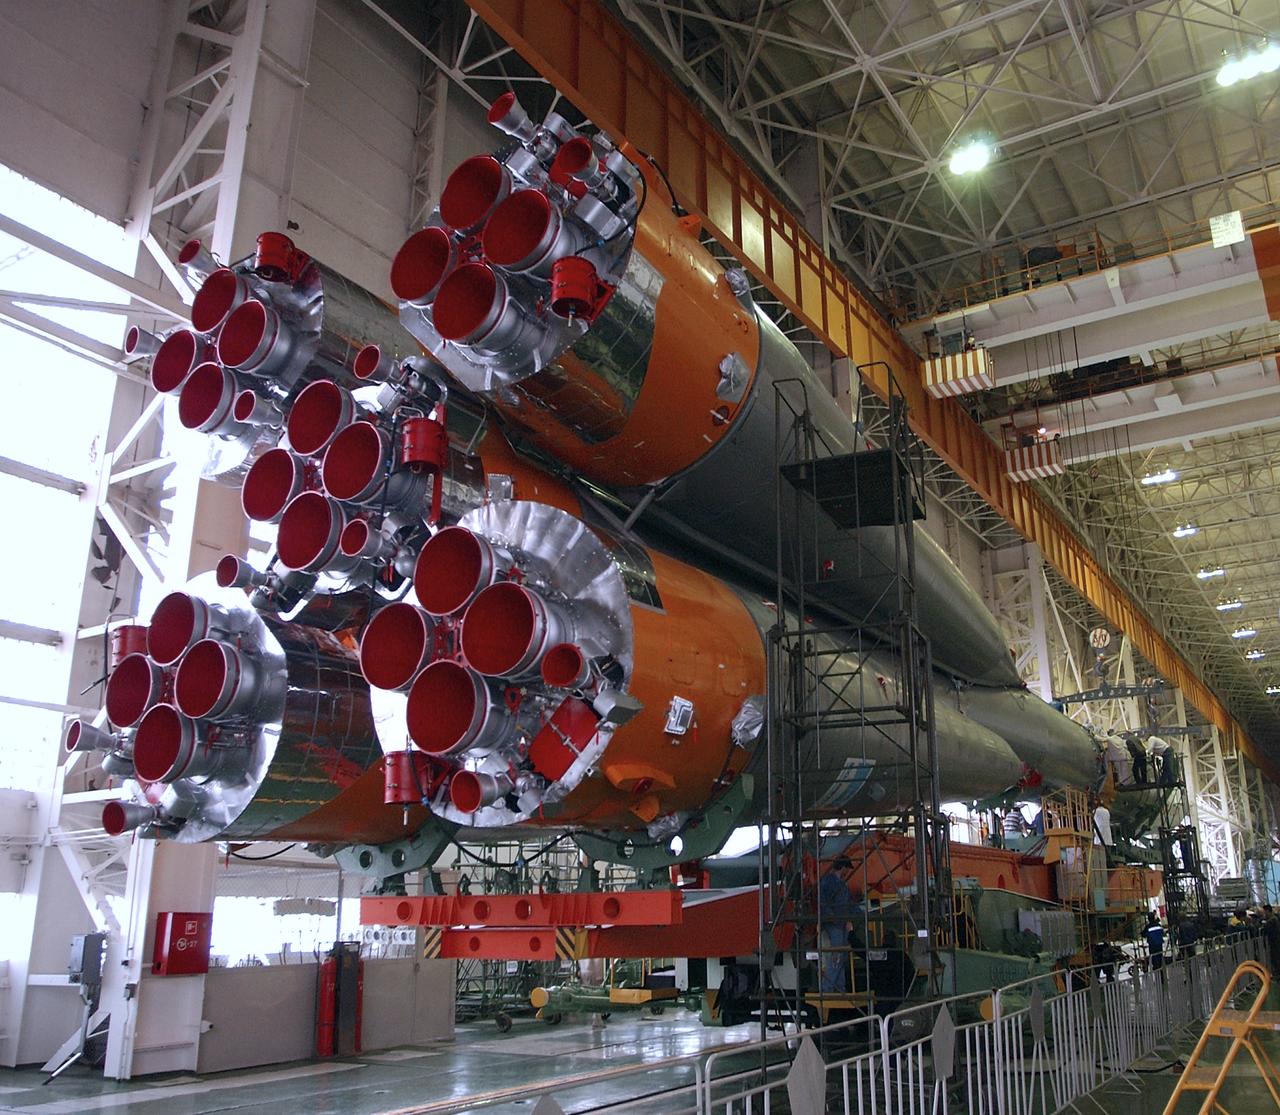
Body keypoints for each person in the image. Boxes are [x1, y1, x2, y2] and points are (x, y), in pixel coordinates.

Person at [818, 856, 856, 994]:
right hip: (835, 924)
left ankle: (839, 987)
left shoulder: (834, 882)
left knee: (840, 957)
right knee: (837, 957)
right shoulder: (830, 882)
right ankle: (828, 988)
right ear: (843, 867)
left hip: (839, 923)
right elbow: (824, 903)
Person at [1263, 905, 1280, 978]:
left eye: (1264, 912)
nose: (1264, 914)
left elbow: (1267, 931)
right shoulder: (1275, 919)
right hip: (1276, 942)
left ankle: (1277, 974)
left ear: (1267, 911)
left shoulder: (1272, 920)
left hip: (1275, 942)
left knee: (1275, 959)